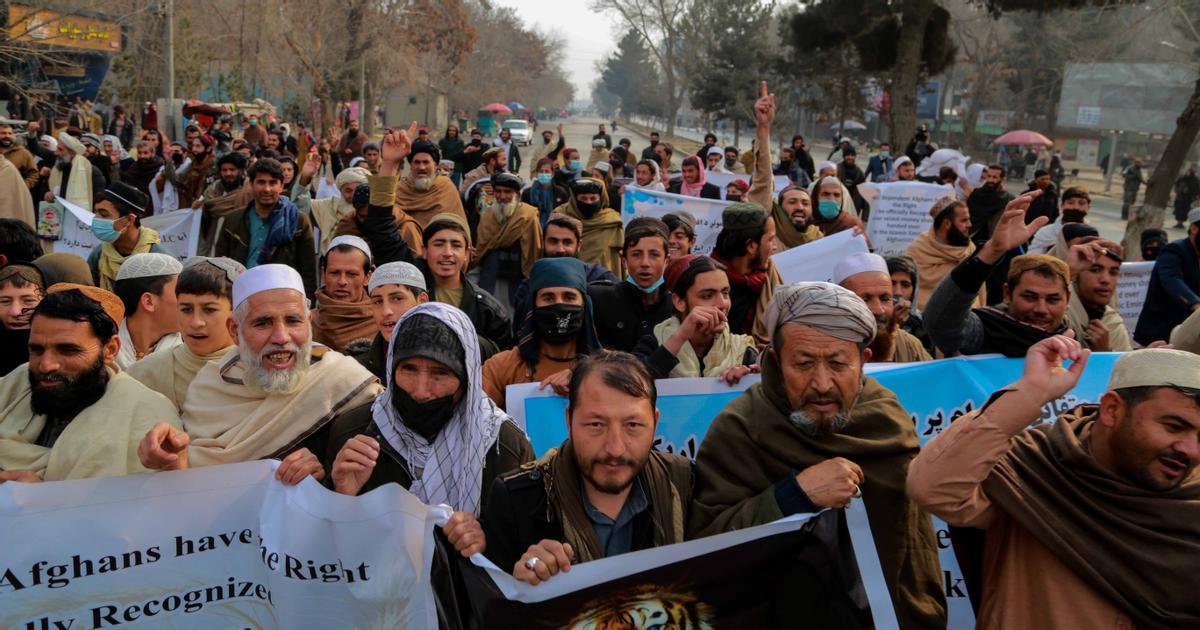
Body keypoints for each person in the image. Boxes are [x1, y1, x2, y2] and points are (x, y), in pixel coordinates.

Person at [689, 282, 947, 629]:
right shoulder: (741, 429)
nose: (822, 383)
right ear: (777, 362)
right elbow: (707, 551)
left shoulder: (887, 421)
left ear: (863, 362)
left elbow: (915, 550)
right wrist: (791, 497)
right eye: (804, 363)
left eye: (839, 364)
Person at [908, 340, 1200, 629]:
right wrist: (1031, 391)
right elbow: (932, 487)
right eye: (1174, 427)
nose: (1191, 450)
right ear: (1111, 410)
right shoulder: (1034, 467)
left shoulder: (1192, 499)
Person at [136, 264, 381, 478]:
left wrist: (326, 477)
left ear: (309, 323)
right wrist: (172, 462)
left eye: (293, 321)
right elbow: (197, 488)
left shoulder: (345, 381)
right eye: (262, 323)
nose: (281, 337)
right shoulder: (209, 388)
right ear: (234, 330)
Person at [483, 351, 693, 583]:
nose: (615, 448)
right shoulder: (516, 500)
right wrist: (520, 587)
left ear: (654, 422)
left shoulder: (685, 484)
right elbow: (492, 608)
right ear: (569, 420)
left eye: (632, 425)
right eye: (596, 425)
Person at [327, 302, 533, 534]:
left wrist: (486, 540)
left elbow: (523, 544)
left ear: (467, 378)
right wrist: (341, 496)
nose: (421, 391)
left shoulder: (503, 446)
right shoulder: (354, 433)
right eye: (409, 369)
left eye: (440, 373)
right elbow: (328, 546)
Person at [0, 284, 181, 481]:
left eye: (68, 350)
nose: (46, 365)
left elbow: (149, 502)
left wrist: (45, 499)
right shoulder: (16, 384)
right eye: (37, 350)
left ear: (110, 350)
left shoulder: (147, 413)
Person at [361, 135, 512, 356]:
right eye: (439, 244)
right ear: (424, 249)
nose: (447, 253)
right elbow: (381, 226)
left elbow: (502, 364)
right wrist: (389, 163)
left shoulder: (489, 310)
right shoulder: (409, 279)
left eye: (455, 245)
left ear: (468, 253)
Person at [924, 193, 1076, 357]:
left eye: (1053, 299)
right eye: (1029, 297)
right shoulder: (986, 332)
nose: (1041, 309)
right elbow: (940, 322)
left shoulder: (1073, 340)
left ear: (1067, 298)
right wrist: (992, 251)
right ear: (1007, 294)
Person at [482, 257, 601, 409]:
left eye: (569, 297)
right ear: (533, 306)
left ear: (584, 305)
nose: (559, 304)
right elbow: (474, 418)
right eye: (548, 298)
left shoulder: (610, 367)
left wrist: (584, 375)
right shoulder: (501, 367)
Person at [126, 257, 242, 410]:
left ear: (236, 314)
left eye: (209, 310)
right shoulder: (144, 373)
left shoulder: (257, 373)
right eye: (186, 310)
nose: (196, 322)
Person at [633, 254, 758, 381]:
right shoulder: (654, 343)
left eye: (725, 293)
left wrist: (752, 378)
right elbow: (634, 384)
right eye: (707, 296)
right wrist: (681, 336)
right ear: (679, 302)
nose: (722, 304)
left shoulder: (741, 351)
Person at [213, 158, 317, 297]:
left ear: (281, 186)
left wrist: (307, 305)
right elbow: (220, 266)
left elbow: (308, 270)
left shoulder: (297, 221)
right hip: (241, 294)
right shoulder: (233, 220)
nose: (267, 189)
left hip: (282, 295)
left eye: (273, 183)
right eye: (261, 182)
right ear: (251, 184)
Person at [507, 214, 619, 336]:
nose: (560, 249)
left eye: (567, 242)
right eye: (553, 241)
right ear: (543, 243)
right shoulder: (530, 285)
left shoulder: (599, 278)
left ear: (579, 245)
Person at [588, 218, 673, 352]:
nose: (645, 263)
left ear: (667, 261)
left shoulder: (677, 307)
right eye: (636, 254)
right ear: (624, 260)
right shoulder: (599, 299)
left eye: (654, 255)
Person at [835, 253, 932, 363]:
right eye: (865, 299)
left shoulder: (908, 345)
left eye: (885, 298)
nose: (879, 310)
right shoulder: (823, 347)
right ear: (842, 304)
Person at [346, 261, 428, 381]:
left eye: (397, 299)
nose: (386, 312)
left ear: (422, 301)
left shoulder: (446, 358)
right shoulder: (358, 368)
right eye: (378, 301)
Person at [1133, 207, 1200, 345]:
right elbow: (1171, 279)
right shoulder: (1175, 250)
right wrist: (1195, 304)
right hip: (1160, 333)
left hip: (1188, 335)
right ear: (1194, 228)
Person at [473, 172, 542, 302]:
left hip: (518, 279)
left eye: (507, 192)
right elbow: (480, 250)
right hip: (490, 278)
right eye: (498, 191)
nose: (502, 196)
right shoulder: (487, 216)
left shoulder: (528, 216)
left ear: (517, 194)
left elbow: (534, 252)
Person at [87, 182, 169, 290]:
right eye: (95, 212)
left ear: (129, 220)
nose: (96, 219)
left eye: (104, 214)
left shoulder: (158, 259)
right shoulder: (99, 255)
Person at [710, 202, 776, 335]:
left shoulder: (767, 276)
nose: (775, 247)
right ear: (751, 246)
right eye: (770, 240)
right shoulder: (709, 285)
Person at [906, 198, 981, 311]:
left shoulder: (970, 248)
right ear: (947, 223)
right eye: (964, 220)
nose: (969, 225)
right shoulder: (917, 251)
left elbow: (980, 290)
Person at [111, 253, 183, 370]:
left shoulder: (187, 355)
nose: (186, 300)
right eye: (179, 292)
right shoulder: (100, 351)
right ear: (149, 301)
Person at [1064, 239, 1132, 352]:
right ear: (1076, 275)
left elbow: (1125, 366)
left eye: (1113, 272)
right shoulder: (1058, 312)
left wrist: (1104, 353)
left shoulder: (1113, 322)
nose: (1106, 280)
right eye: (1095, 270)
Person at [312, 236, 376, 352]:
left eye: (352, 274)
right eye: (334, 273)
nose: (342, 282)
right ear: (323, 274)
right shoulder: (307, 323)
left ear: (367, 277)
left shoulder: (382, 323)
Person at [554, 177, 624, 277]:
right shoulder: (559, 217)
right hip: (567, 278)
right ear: (574, 199)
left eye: (593, 199)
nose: (589, 202)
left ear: (601, 199)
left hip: (603, 281)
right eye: (583, 199)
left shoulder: (612, 221)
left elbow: (618, 259)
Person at [885, 255, 934, 355]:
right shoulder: (869, 322)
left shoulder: (921, 324)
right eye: (892, 283)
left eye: (905, 285)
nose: (898, 292)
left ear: (914, 291)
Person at [46, 132, 104, 211]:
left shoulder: (91, 172)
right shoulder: (58, 169)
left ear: (72, 152)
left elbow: (98, 203)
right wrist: (48, 195)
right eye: (57, 148)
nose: (56, 152)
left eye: (60, 149)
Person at [1028, 186, 1091, 255]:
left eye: (1081, 203)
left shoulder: (1091, 235)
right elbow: (1031, 261)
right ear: (1062, 205)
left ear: (1088, 207)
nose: (1076, 207)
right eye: (1071, 203)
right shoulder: (1046, 233)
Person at [771, 185, 822, 250]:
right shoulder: (771, 240)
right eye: (792, 202)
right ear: (780, 208)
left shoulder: (819, 238)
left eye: (805, 203)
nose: (800, 207)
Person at [522, 158, 569, 227]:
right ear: (536, 173)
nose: (544, 174)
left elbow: (566, 214)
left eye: (547, 171)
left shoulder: (560, 192)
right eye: (541, 172)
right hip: (533, 228)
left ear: (552, 174)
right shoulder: (527, 193)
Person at [0, 122, 39, 191]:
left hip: (13, 196)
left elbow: (34, 174)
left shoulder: (23, 153)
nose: (7, 136)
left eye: (10, 133)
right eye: (3, 133)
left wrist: (21, 188)